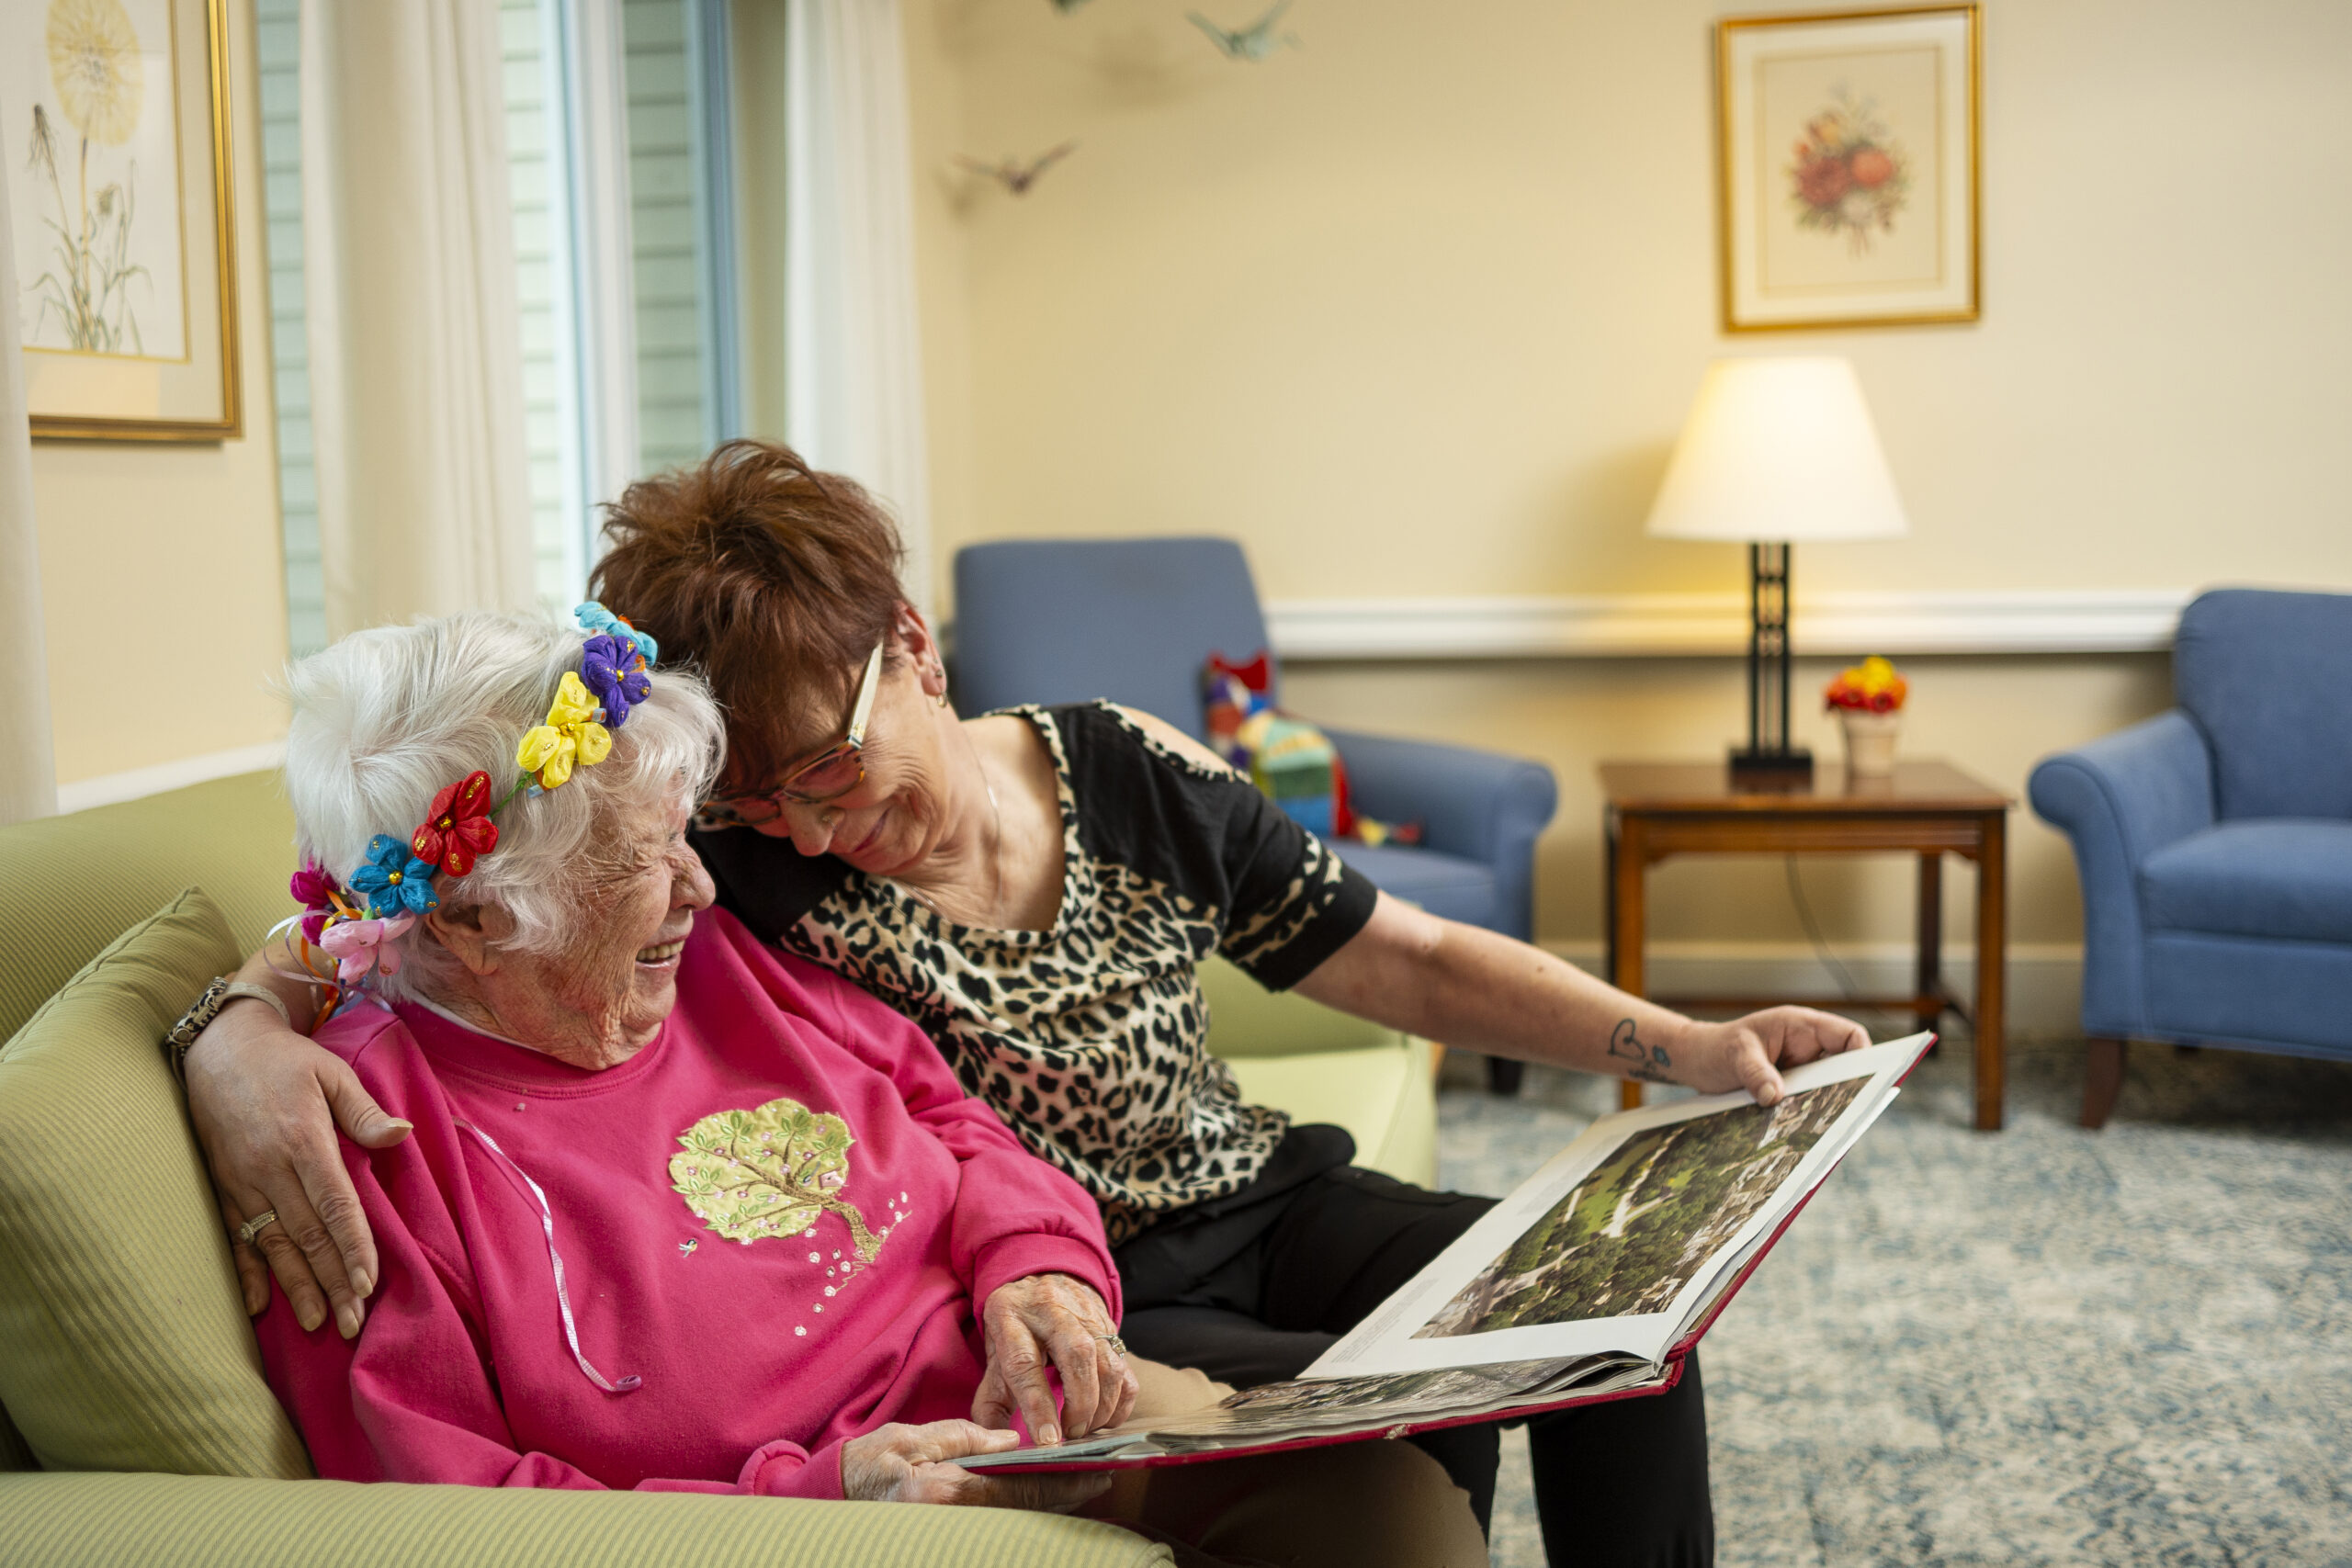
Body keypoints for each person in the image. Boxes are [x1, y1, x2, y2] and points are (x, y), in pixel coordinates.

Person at [188, 442, 1871, 1566]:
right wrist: (239, 1027)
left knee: (1600, 1338)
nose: (805, 833)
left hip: (1231, 1204)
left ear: (913, 646)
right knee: (1412, 1454)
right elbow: (410, 894)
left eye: (832, 772)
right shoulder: (739, 875)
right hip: (1106, 1292)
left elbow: (1401, 955)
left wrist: (1689, 1046)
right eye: (757, 812)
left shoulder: (1108, 766)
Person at [244, 609, 1487, 1568]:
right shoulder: (361, 1147)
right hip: (833, 1529)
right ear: (465, 919)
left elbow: (957, 1122)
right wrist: (827, 1495)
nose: (702, 889)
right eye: (639, 862)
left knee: (1386, 1495)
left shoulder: (719, 970)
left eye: (689, 834)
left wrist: (1035, 1267)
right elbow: (443, 1511)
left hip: (1045, 1411)